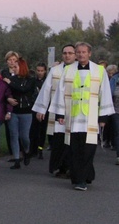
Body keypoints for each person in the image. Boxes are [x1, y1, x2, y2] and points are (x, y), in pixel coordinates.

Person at [53, 42, 114, 191]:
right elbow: (60, 92)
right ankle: (80, 178)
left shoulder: (99, 71)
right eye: (78, 52)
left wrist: (103, 117)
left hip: (90, 117)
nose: (81, 55)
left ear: (89, 54)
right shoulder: (68, 70)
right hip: (73, 117)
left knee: (87, 149)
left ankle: (82, 179)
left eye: (83, 52)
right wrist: (60, 113)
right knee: (74, 149)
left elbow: (105, 93)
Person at [32, 45, 76, 176]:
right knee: (58, 140)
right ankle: (61, 167)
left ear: (75, 55)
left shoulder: (79, 70)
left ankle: (71, 168)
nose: (67, 55)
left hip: (74, 111)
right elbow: (46, 89)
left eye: (70, 53)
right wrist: (42, 109)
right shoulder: (55, 70)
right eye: (65, 53)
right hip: (57, 111)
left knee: (72, 141)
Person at [3, 57, 36, 169]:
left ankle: (26, 150)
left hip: (26, 111)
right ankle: (16, 159)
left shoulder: (30, 79)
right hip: (14, 111)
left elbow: (23, 89)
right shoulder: (13, 79)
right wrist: (8, 99)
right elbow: (6, 92)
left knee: (24, 136)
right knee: (14, 135)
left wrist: (10, 82)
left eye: (16, 67)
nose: (13, 69)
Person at [29, 63, 48, 159]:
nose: (40, 73)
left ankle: (40, 148)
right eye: (38, 71)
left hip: (45, 108)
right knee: (34, 129)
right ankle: (33, 149)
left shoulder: (47, 81)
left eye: (42, 71)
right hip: (34, 107)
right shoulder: (33, 81)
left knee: (42, 130)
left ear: (45, 71)